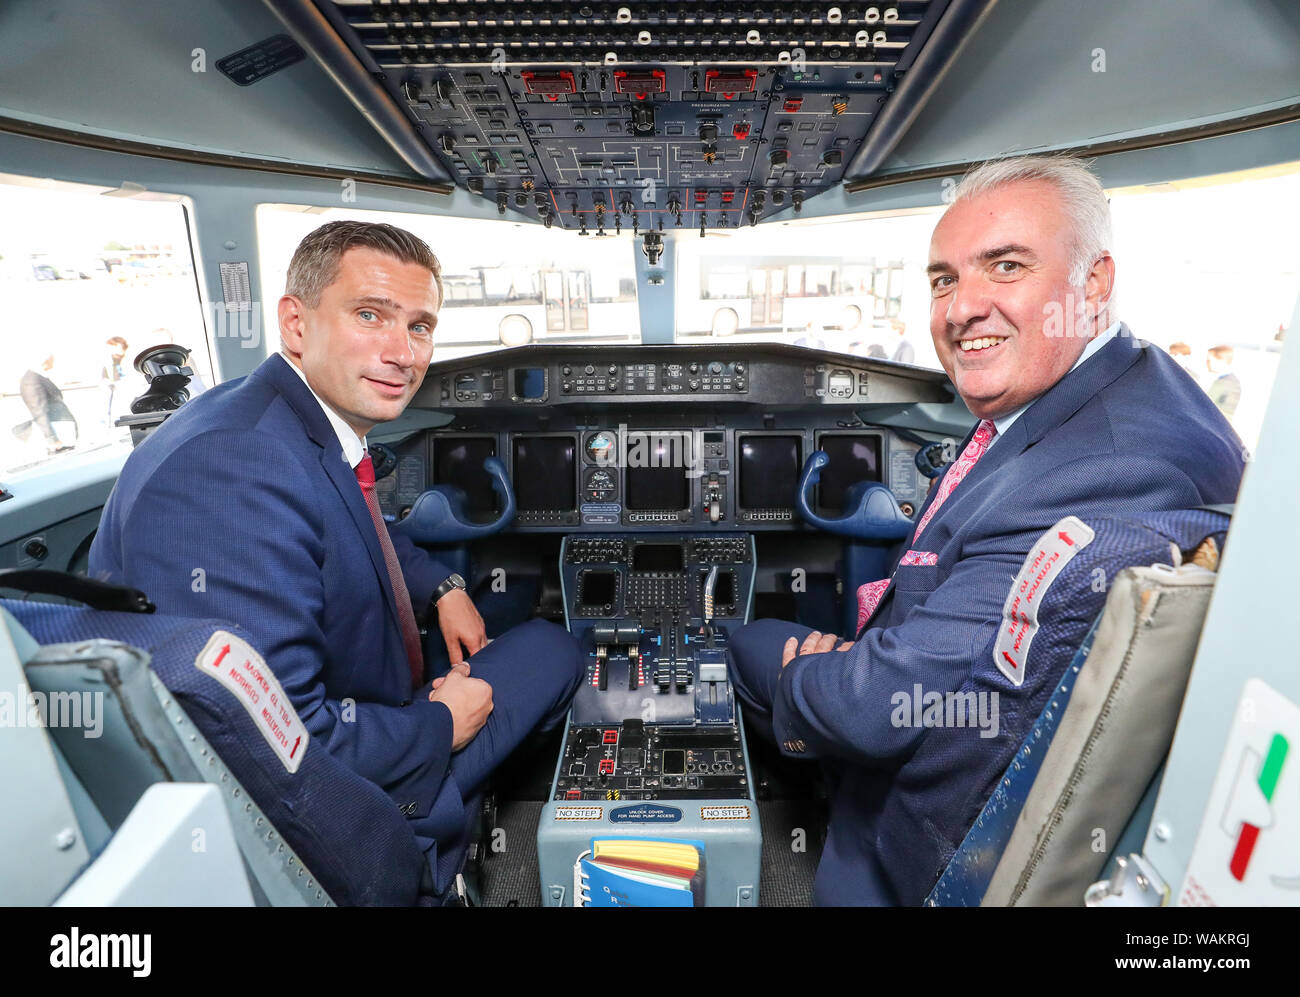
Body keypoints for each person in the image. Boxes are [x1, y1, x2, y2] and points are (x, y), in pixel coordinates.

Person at [726, 155, 1244, 906]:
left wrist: (814, 678)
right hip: (948, 699)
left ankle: (808, 785)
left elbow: (882, 709)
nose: (962, 307)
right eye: (944, 279)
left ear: (1093, 282)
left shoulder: (1111, 466)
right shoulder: (1136, 385)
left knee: (749, 646)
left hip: (927, 836)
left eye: (1005, 266)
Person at [89, 221, 584, 900]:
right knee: (556, 647)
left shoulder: (287, 422)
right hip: (337, 795)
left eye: (419, 326)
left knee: (500, 608)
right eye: (370, 315)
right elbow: (280, 742)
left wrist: (443, 587)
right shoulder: (230, 471)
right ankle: (442, 832)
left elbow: (367, 522)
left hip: (363, 692)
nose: (402, 351)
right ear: (296, 322)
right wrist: (441, 723)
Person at [14, 355, 78, 454]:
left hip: (62, 434)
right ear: (45, 360)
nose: (53, 362)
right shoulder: (31, 381)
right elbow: (38, 412)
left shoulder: (38, 377)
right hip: (59, 438)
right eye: (52, 359)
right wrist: (52, 439)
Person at [1205, 344, 1241, 418]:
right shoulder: (1230, 380)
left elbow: (1204, 404)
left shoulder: (1226, 382)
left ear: (1221, 360)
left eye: (1210, 360)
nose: (1207, 363)